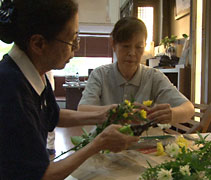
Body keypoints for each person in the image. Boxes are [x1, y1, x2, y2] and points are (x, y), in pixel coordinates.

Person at [0, 0, 139, 179]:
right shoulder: (11, 89)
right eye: (72, 40)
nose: (76, 48)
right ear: (38, 44)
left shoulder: (33, 73)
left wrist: (104, 115)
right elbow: (43, 175)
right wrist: (99, 143)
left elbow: (54, 115)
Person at [78, 17, 195, 125]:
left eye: (139, 47)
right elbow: (83, 110)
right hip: (106, 143)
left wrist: (171, 114)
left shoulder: (154, 77)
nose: (132, 53)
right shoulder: (100, 75)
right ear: (113, 45)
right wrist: (120, 110)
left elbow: (188, 108)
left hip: (144, 143)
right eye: (126, 46)